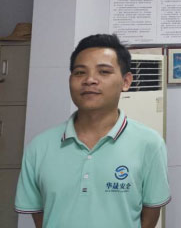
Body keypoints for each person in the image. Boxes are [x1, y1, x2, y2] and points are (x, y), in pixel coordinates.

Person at [15, 34, 171, 228]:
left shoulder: (149, 144)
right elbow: (41, 217)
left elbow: (150, 215)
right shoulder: (39, 147)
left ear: (126, 81)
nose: (89, 80)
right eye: (80, 72)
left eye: (104, 72)